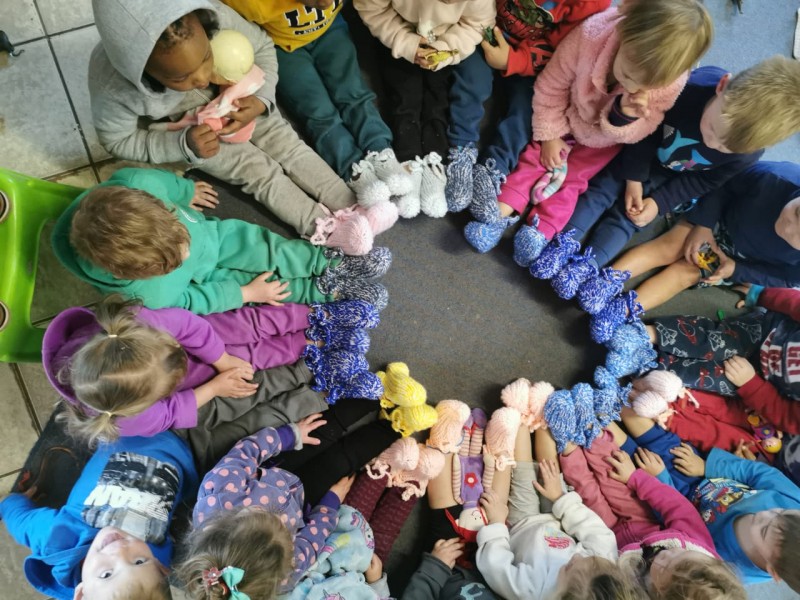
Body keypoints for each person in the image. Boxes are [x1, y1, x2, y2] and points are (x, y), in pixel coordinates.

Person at [88, 0, 385, 255]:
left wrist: (261, 99)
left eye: (207, 57)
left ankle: (348, 202)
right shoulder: (113, 87)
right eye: (181, 78)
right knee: (258, 174)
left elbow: (263, 47)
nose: (203, 78)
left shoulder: (213, 15)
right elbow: (117, 140)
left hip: (243, 97)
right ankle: (320, 226)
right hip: (196, 133)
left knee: (290, 147)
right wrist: (182, 145)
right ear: (146, 74)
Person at [463, 0, 713, 258]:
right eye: (628, 74)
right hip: (567, 111)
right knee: (535, 158)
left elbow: (643, 132)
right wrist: (550, 135)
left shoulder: (669, 85)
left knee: (574, 181)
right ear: (624, 32)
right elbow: (552, 84)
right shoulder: (591, 34)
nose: (632, 86)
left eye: (644, 84)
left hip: (605, 140)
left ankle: (540, 231)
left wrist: (624, 117)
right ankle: (499, 214)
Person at [44, 295, 384, 448]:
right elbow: (170, 413)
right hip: (191, 382)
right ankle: (311, 348)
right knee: (250, 366)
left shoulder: (133, 326)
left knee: (244, 325)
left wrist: (220, 358)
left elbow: (188, 326)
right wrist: (213, 387)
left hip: (183, 338)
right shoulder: (125, 419)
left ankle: (314, 316)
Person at [52, 168, 392, 314]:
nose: (185, 252)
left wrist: (186, 190)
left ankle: (326, 262)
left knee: (264, 247)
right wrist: (244, 295)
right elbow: (192, 300)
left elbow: (166, 185)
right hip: (209, 280)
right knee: (268, 288)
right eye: (173, 261)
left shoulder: (138, 182)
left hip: (214, 236)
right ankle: (323, 291)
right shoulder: (147, 294)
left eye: (178, 234)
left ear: (155, 204)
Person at [568, 56, 800, 268]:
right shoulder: (686, 91)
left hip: (673, 176)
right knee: (603, 188)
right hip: (641, 151)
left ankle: (588, 265)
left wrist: (659, 203)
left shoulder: (749, 152)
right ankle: (564, 241)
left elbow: (705, 181)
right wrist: (634, 178)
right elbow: (646, 130)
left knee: (631, 219)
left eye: (726, 148)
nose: (711, 143)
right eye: (712, 129)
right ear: (722, 86)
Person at [220, 0, 410, 196]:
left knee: (353, 92)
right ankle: (352, 167)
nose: (326, 2)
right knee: (318, 111)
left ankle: (379, 150)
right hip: (281, 47)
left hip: (332, 30)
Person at [445, 0, 611, 214]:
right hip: (483, 32)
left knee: (526, 111)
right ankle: (461, 148)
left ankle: (494, 166)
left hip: (530, 62)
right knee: (471, 83)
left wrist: (514, 61)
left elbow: (559, 49)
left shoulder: (591, 4)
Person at [547, 424, 746, 600]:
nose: (665, 556)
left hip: (610, 539)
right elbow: (673, 504)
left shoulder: (636, 592)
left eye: (663, 569)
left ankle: (567, 445)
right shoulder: (698, 545)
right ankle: (592, 431)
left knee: (587, 492)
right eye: (677, 554)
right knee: (613, 472)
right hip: (641, 516)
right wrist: (634, 477)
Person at [0, 430, 197, 599]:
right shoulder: (156, 566)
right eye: (138, 561)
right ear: (162, 569)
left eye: (106, 574)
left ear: (81, 594)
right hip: (182, 451)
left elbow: (22, 522)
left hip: (128, 429)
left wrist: (10, 503)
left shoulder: (56, 540)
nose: (120, 550)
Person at [176, 417, 357, 596]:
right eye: (285, 532)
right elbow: (310, 542)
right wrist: (329, 505)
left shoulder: (218, 493)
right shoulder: (281, 575)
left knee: (327, 428)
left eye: (266, 516)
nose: (278, 519)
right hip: (305, 503)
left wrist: (290, 435)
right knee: (347, 458)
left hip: (276, 470)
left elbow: (244, 453)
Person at [613, 161, 800, 311]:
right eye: (797, 213)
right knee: (671, 246)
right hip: (718, 216)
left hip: (737, 257)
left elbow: (784, 278)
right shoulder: (774, 177)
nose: (787, 228)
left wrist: (736, 269)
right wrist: (704, 225)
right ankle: (606, 281)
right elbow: (724, 183)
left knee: (687, 273)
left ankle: (623, 310)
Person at [474, 425, 622, 599]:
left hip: (523, 523)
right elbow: (596, 531)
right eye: (584, 557)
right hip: (557, 516)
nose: (576, 557)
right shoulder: (604, 569)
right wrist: (560, 497)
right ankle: (538, 418)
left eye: (568, 567)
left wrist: (497, 524)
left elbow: (496, 566)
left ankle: (518, 422)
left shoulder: (532, 592)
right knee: (550, 470)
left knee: (523, 471)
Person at [353, 0, 496, 163]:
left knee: (439, 97)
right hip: (397, 29)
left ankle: (435, 158)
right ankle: (407, 154)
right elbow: (372, 9)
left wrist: (446, 48)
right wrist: (404, 42)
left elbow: (477, 25)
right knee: (404, 94)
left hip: (446, 37)